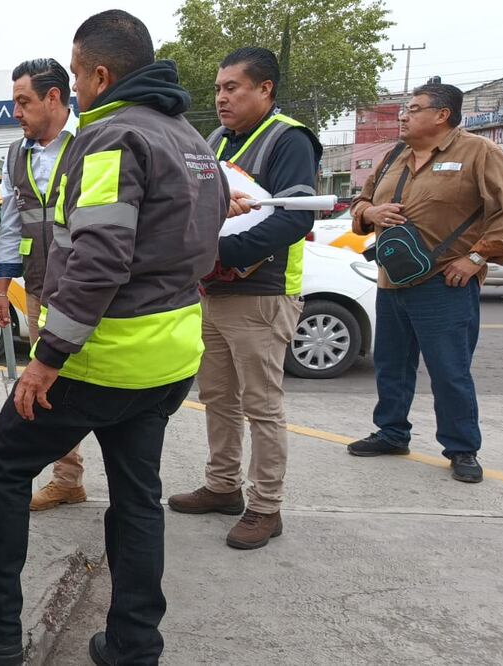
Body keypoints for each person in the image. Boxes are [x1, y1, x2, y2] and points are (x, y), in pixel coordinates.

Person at [0, 11, 227, 666]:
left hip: (103, 356)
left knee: (1, 464)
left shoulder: (113, 137)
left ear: (100, 74)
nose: (80, 88)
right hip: (170, 353)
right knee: (138, 494)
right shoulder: (190, 137)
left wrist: (48, 358)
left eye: (79, 73)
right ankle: (133, 643)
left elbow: (102, 259)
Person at [167, 47, 323, 550]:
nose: (221, 97)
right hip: (212, 290)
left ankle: (265, 506)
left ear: (265, 89)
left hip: (262, 294)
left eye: (232, 87)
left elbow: (296, 216)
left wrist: (220, 252)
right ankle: (222, 486)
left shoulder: (289, 139)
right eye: (218, 89)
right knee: (217, 396)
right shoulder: (215, 140)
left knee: (261, 404)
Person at [345, 83, 503, 482]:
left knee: (449, 370)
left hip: (446, 283)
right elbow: (359, 202)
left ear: (442, 115)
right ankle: (391, 432)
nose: (403, 116)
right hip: (392, 279)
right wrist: (372, 212)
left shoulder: (478, 152)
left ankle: (461, 448)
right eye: (405, 109)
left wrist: (476, 258)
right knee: (391, 365)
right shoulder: (393, 155)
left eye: (413, 108)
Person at [0, 58, 85, 512]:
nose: (16, 113)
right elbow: (10, 222)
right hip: (38, 285)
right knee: (47, 384)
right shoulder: (16, 154)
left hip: (89, 289)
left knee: (94, 381)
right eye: (14, 102)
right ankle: (67, 477)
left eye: (24, 102)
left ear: (53, 98)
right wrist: (0, 285)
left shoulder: (91, 142)